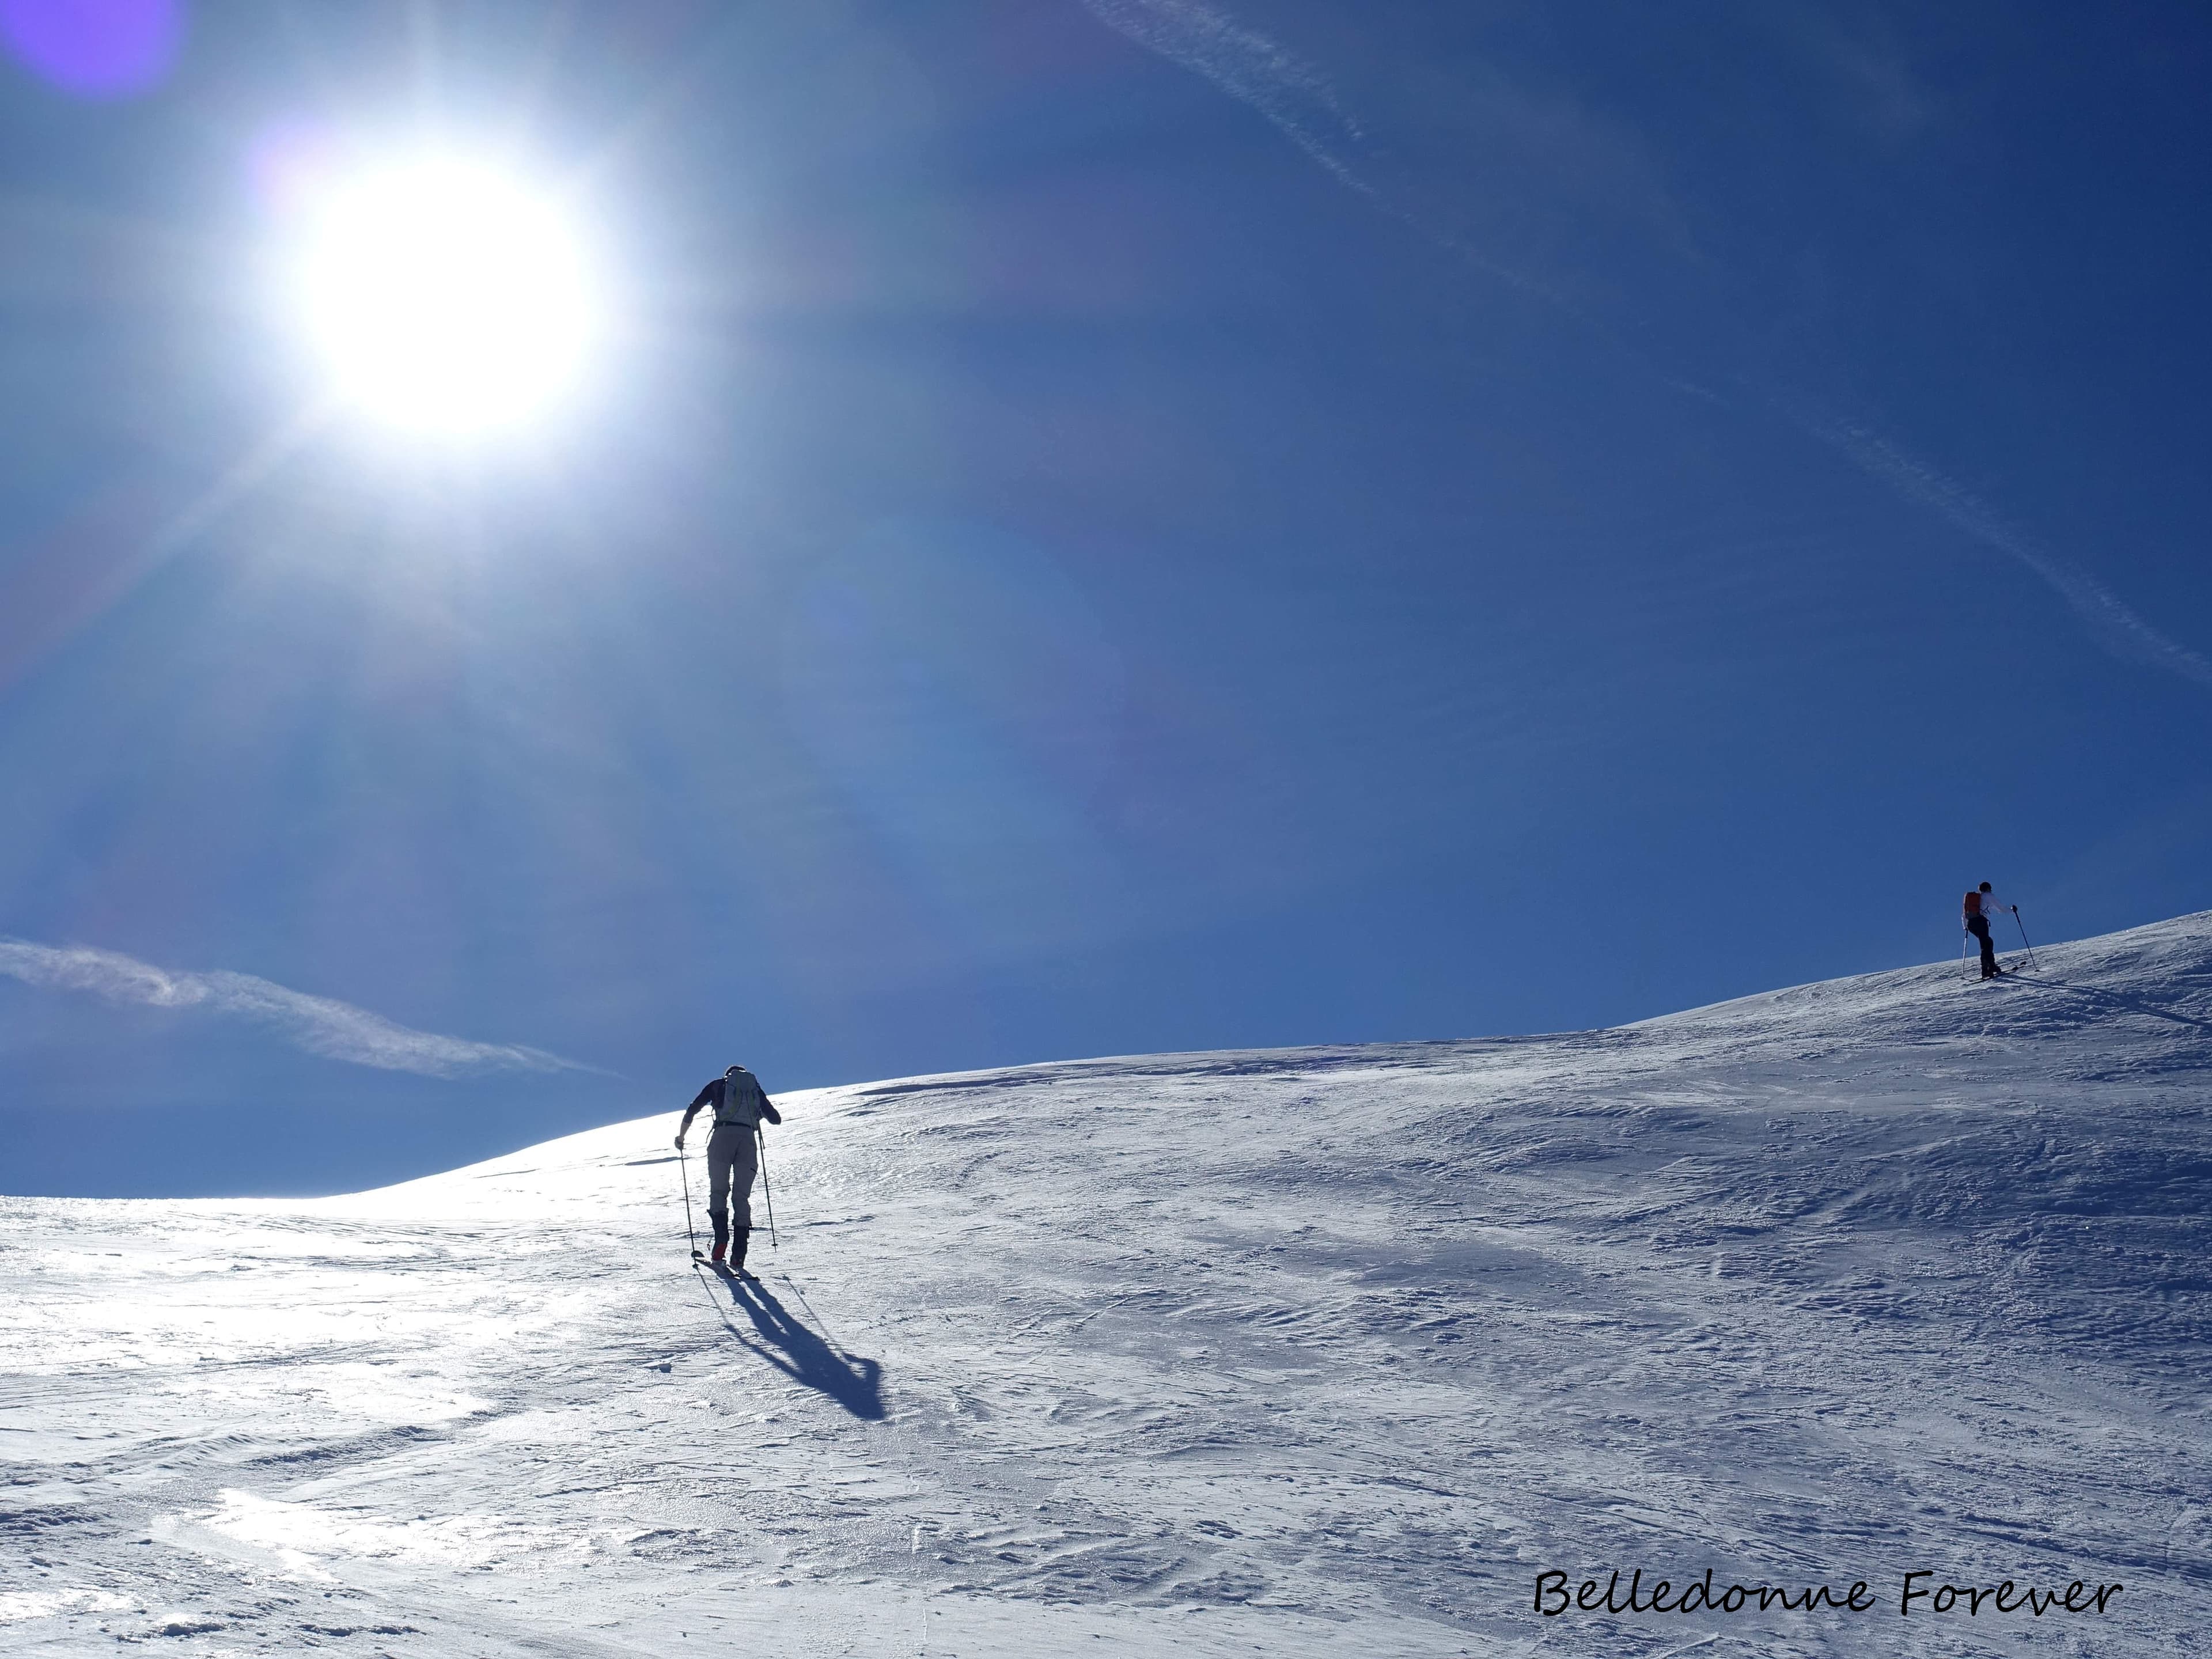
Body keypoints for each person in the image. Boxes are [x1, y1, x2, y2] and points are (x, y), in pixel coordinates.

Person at [676, 1065, 782, 1268]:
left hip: (722, 1138)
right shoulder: (754, 1091)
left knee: (719, 1191)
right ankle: (739, 1254)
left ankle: (721, 1240)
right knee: (741, 1197)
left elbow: (693, 1109)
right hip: (748, 1141)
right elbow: (776, 1119)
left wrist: (681, 1137)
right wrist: (755, 1113)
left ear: (728, 1076)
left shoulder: (718, 1086)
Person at [1962, 882, 2016, 980]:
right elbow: (2001, 908)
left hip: (1971, 924)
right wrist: (2012, 910)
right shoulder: (1988, 896)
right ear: (1988, 888)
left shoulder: (1976, 899)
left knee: (1988, 942)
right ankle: (1986, 970)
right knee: (1985, 945)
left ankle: (1991, 966)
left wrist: (1966, 926)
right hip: (1980, 922)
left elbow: (1964, 915)